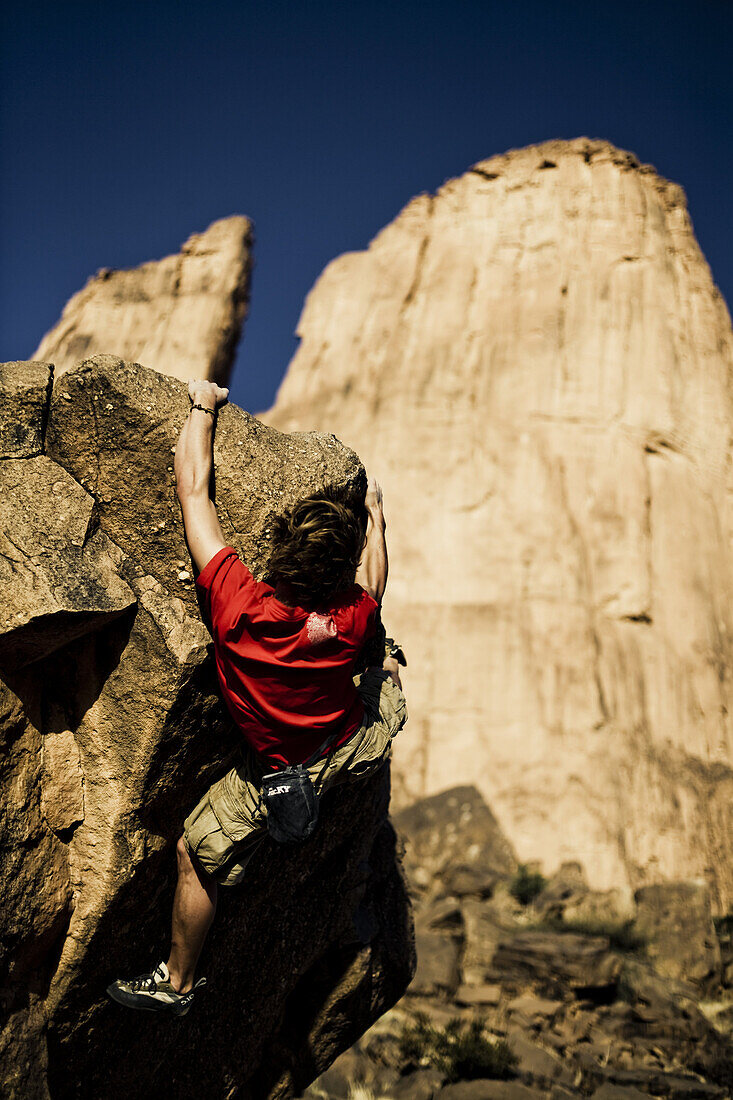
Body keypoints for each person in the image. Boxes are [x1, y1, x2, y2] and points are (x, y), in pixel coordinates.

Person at [107, 380, 407, 1016]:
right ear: (339, 571)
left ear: (284, 549)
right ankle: (382, 680)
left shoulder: (238, 607)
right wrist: (376, 519)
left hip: (275, 763)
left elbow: (193, 489)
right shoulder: (352, 615)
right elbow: (376, 585)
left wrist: (201, 406)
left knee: (196, 853)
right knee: (383, 664)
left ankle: (178, 983)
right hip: (350, 746)